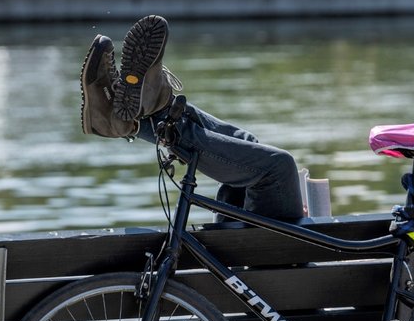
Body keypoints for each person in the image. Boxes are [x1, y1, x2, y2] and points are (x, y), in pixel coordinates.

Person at [80, 15, 304, 222]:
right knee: (247, 143)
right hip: (268, 249)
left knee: (278, 167)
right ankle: (145, 113)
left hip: (274, 254)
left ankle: (142, 118)